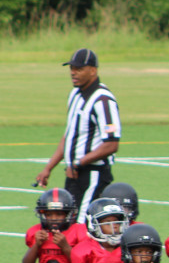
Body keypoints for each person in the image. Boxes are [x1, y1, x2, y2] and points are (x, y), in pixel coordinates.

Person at [35, 48, 121, 224]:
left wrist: (79, 163)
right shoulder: (75, 94)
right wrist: (48, 167)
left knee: (82, 228)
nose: (73, 73)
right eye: (71, 68)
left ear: (93, 71)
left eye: (79, 69)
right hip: (73, 173)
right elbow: (70, 136)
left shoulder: (103, 101)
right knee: (69, 225)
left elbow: (111, 144)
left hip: (93, 175)